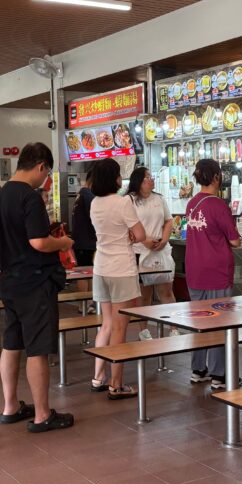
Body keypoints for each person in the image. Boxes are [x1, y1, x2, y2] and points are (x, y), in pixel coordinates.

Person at [0, 143, 75, 432]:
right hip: (34, 282)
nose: (46, 178)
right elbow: (39, 241)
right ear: (40, 166)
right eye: (47, 172)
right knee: (38, 349)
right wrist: (63, 243)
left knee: (12, 343)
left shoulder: (1, 194)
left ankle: (10, 406)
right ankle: (42, 414)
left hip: (9, 282)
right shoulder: (29, 197)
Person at [89, 159, 147, 398]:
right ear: (114, 178)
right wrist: (130, 237)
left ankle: (97, 377)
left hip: (100, 268)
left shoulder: (94, 203)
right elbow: (141, 234)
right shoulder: (123, 203)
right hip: (121, 269)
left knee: (106, 325)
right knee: (120, 330)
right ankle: (116, 384)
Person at [185, 159, 242, 390]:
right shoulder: (218, 205)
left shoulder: (191, 203)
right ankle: (220, 375)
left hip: (195, 269)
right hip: (217, 271)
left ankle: (199, 369)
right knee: (220, 320)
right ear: (217, 177)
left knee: (200, 320)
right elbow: (235, 240)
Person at [126, 167, 177, 341]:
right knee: (144, 294)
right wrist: (144, 240)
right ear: (138, 181)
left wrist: (164, 239)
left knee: (167, 291)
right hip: (140, 251)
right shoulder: (130, 200)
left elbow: (169, 220)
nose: (151, 179)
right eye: (147, 177)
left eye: (151, 177)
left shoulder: (159, 199)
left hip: (161, 250)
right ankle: (144, 330)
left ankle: (174, 327)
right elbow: (127, 226)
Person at [70, 171, 97, 268]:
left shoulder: (81, 194)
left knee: (85, 274)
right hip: (87, 244)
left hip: (81, 243)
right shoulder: (89, 196)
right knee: (84, 274)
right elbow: (96, 219)